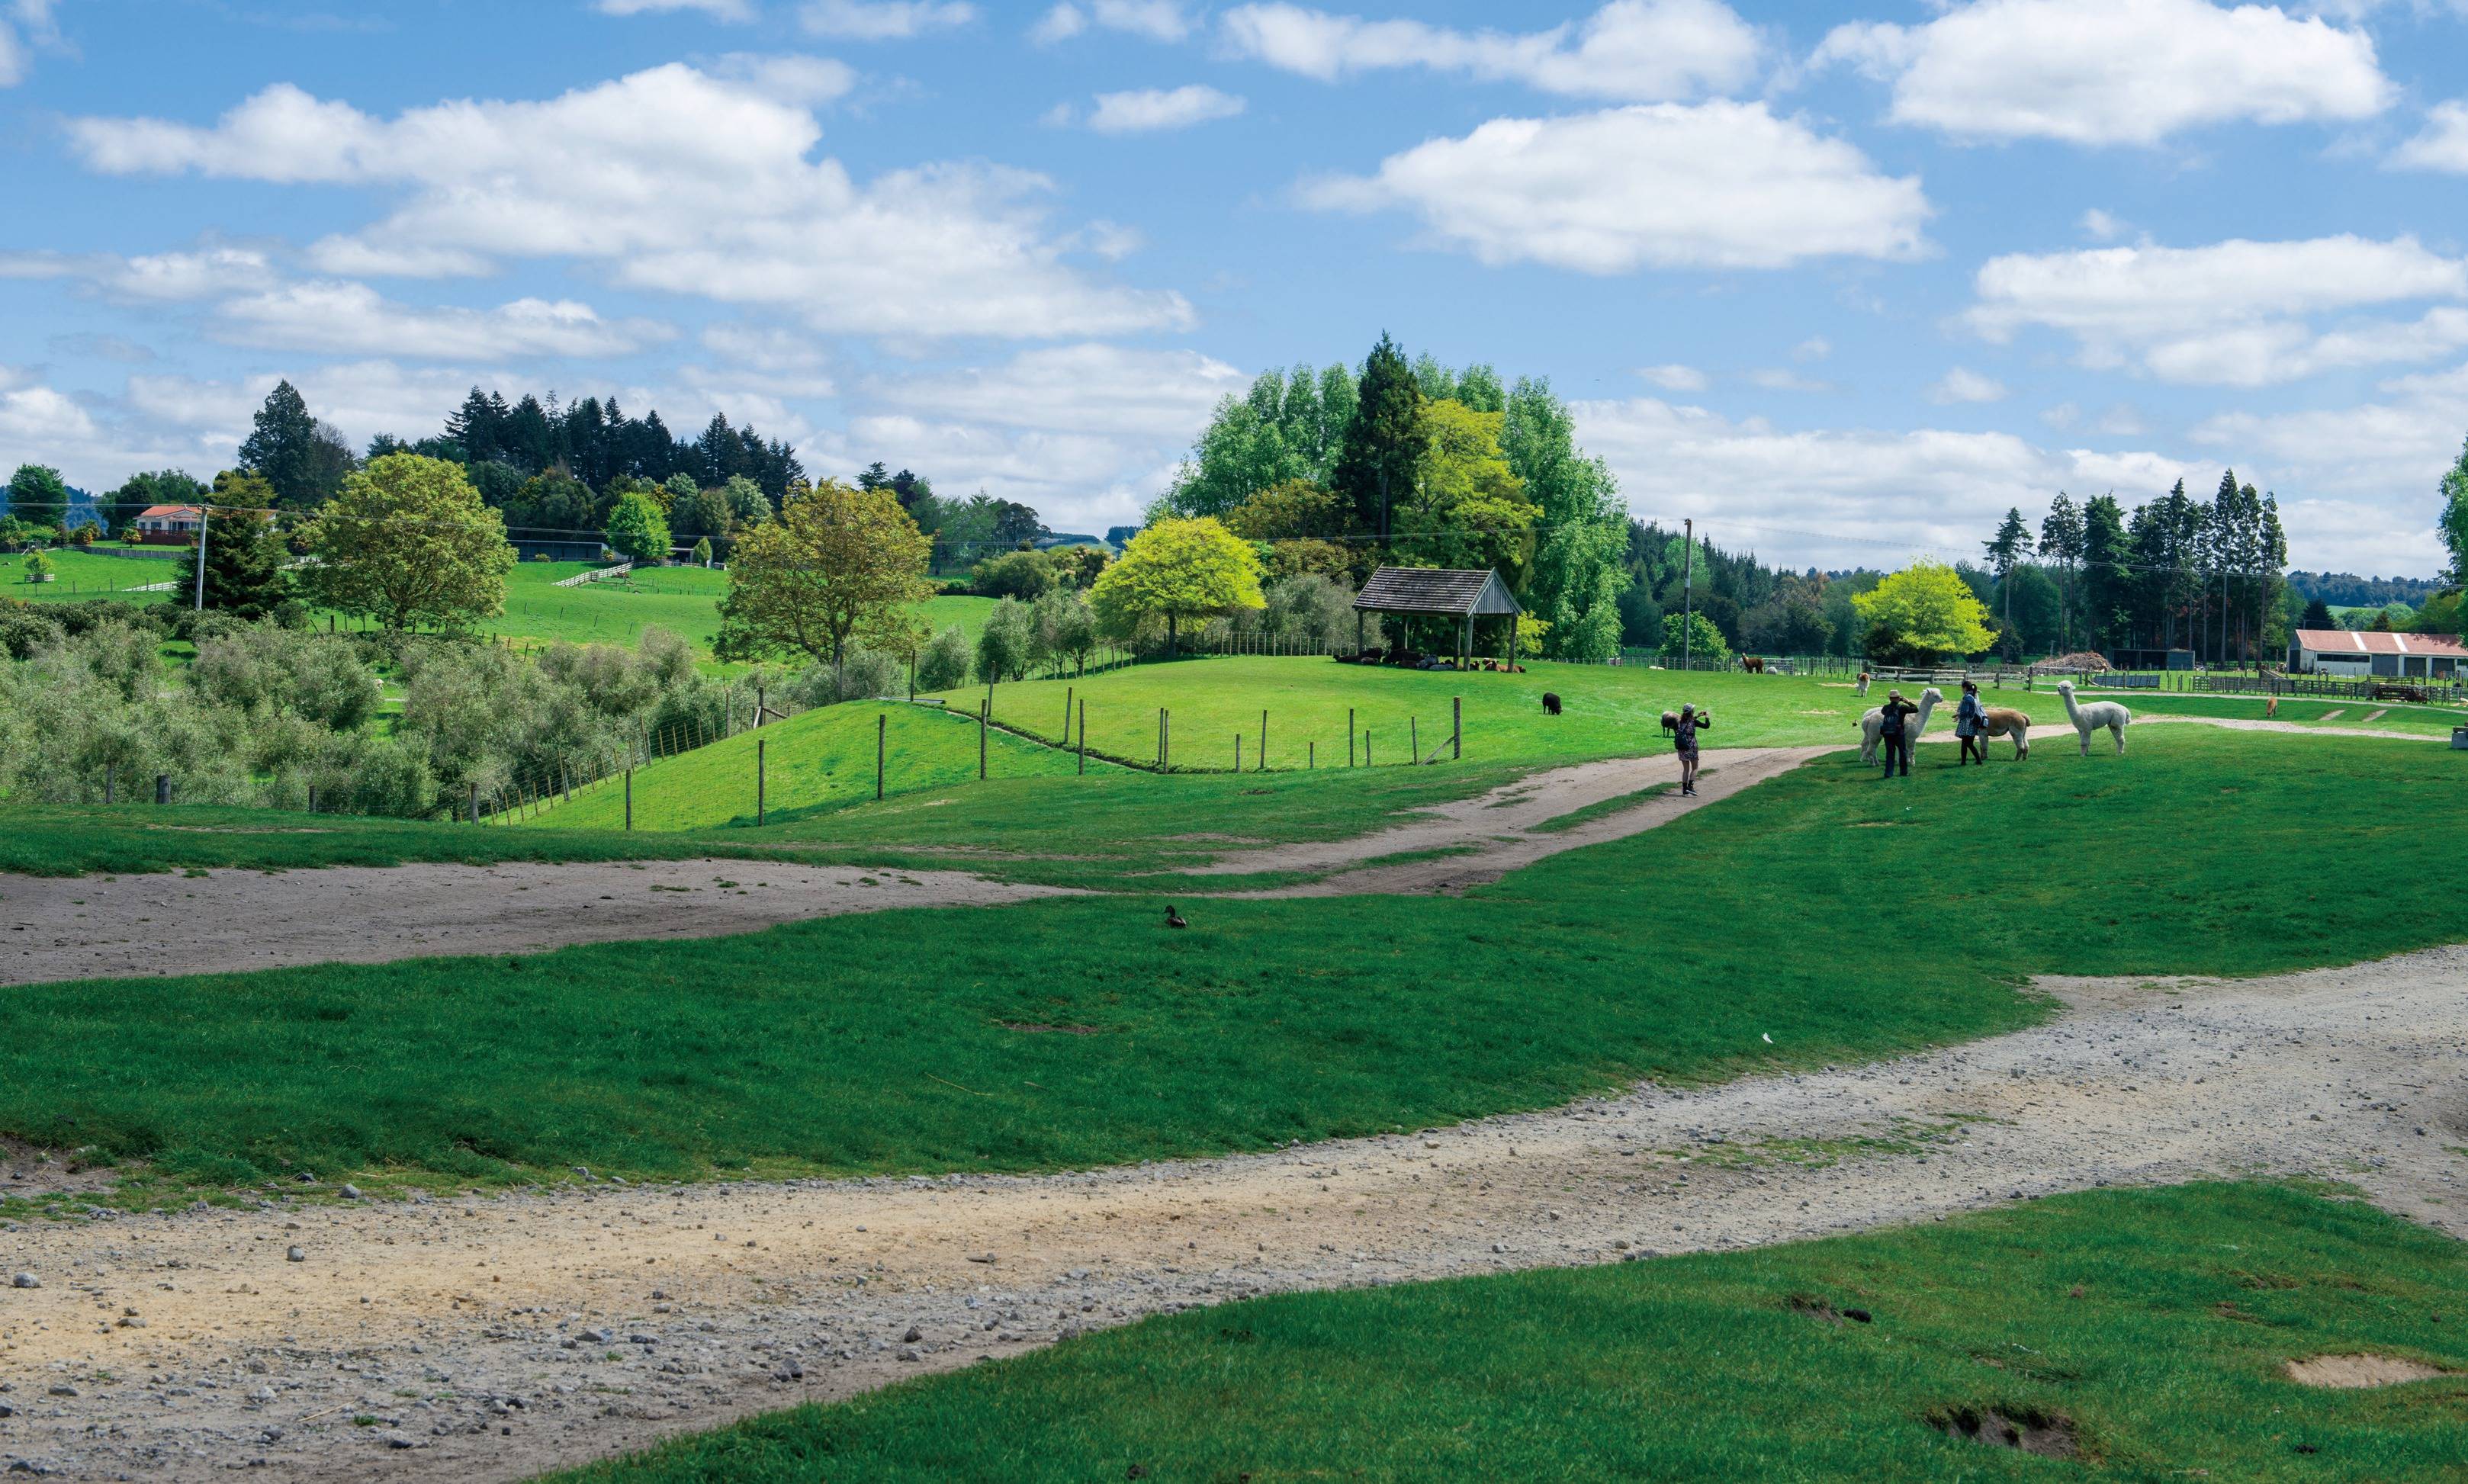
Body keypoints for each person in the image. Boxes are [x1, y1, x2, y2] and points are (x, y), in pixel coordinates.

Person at [1876, 689, 1917, 778]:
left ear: (1890, 698)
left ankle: (1888, 773)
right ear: (1899, 698)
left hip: (1887, 733)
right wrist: (1908, 702)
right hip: (1899, 733)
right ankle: (1904, 772)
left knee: (1890, 754)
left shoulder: (1885, 708)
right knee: (1902, 753)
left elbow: (1883, 712)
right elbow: (1915, 709)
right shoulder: (1902, 708)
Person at [1673, 703, 1708, 796]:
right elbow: (1706, 726)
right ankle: (1690, 787)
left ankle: (1685, 790)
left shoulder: (1679, 721)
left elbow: (1687, 722)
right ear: (1692, 711)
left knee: (1686, 769)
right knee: (1695, 768)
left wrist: (1697, 716)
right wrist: (1707, 717)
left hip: (1681, 747)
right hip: (1691, 746)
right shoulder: (1693, 721)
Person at [1955, 679, 1987, 766]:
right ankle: (1971, 761)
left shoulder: (1967, 697)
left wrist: (1958, 715)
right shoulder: (1973, 697)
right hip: (1973, 723)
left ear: (1965, 688)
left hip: (1967, 723)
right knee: (1968, 743)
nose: (1961, 690)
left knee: (1967, 743)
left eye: (1962, 688)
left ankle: (1968, 762)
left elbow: (1965, 712)